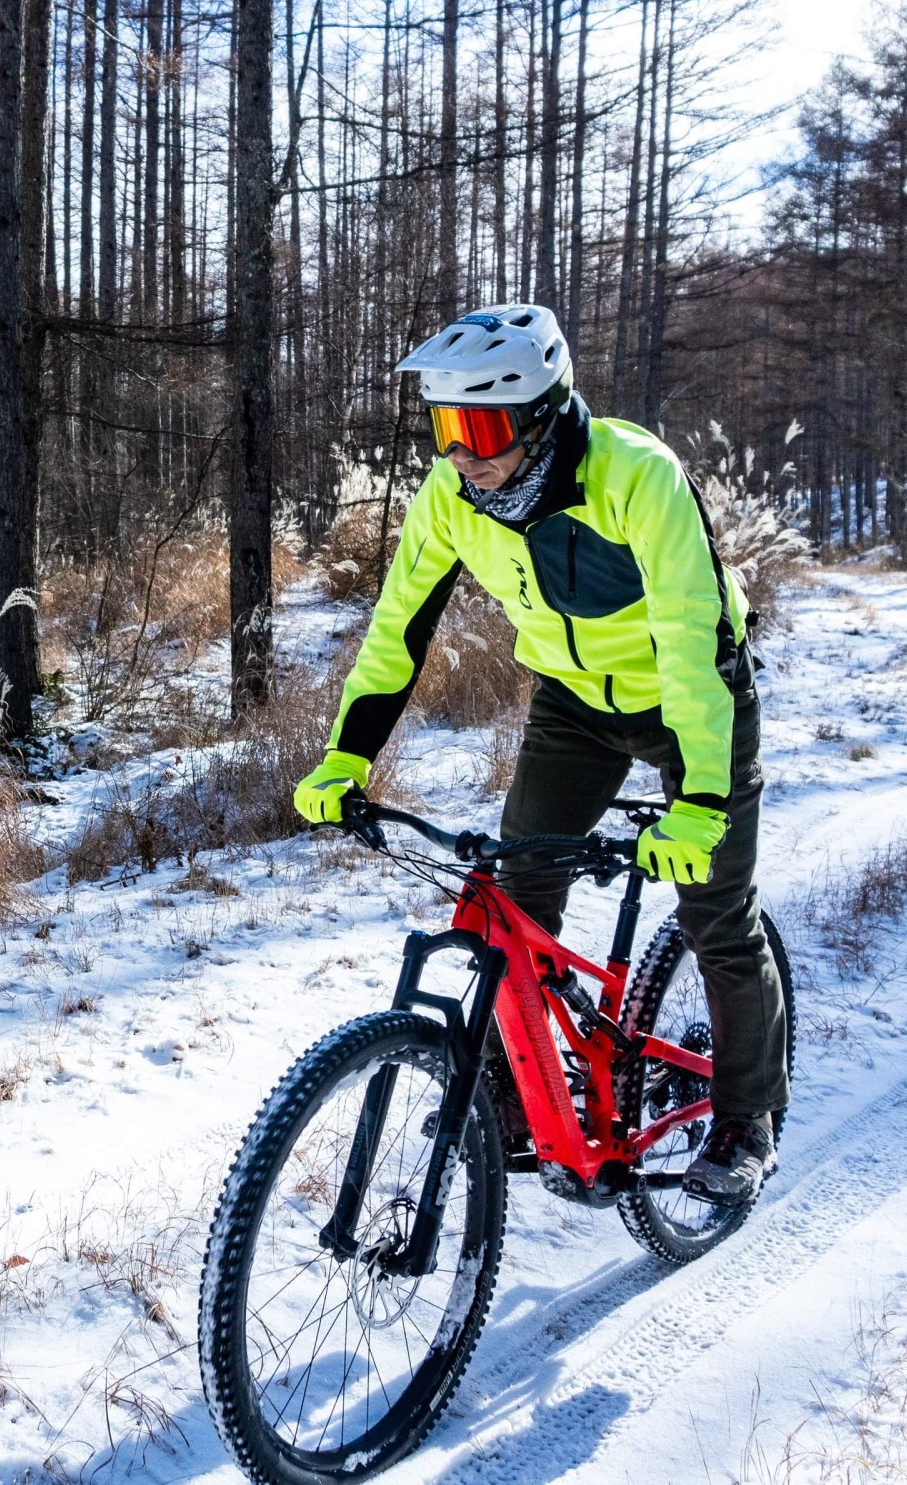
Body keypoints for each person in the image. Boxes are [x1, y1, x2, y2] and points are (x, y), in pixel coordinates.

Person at [292, 304, 787, 1205]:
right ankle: (525, 1103)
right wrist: (346, 758)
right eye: (446, 428)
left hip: (690, 698)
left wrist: (702, 800)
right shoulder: (452, 497)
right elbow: (398, 630)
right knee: (517, 894)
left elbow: (691, 641)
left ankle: (747, 1117)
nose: (460, 454)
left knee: (717, 911)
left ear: (544, 413)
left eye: (480, 428)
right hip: (573, 703)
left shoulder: (638, 478)